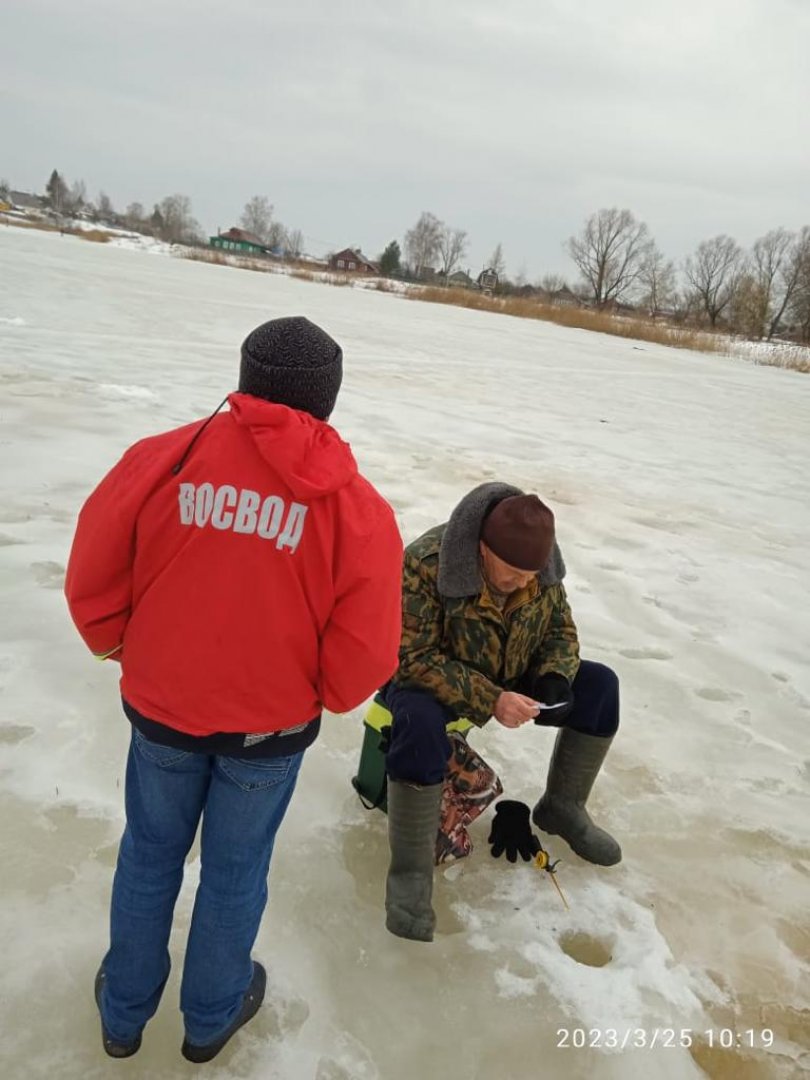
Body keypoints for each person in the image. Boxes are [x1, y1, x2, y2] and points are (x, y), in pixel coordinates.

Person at [65, 316, 403, 1060]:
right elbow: (368, 649)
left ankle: (123, 1014)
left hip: (163, 716)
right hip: (268, 735)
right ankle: (210, 1017)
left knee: (149, 856)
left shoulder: (161, 459)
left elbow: (93, 566)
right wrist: (320, 693)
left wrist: (121, 646)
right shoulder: (358, 510)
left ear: (247, 379)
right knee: (234, 871)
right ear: (328, 399)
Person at [381, 482, 621, 942]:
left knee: (601, 688)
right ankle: (410, 872)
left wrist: (554, 676)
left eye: (532, 575)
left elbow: (561, 631)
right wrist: (491, 698)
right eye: (513, 574)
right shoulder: (427, 562)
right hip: (434, 677)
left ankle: (562, 807)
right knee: (417, 722)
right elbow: (410, 658)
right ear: (482, 549)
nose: (525, 583)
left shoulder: (540, 567)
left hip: (510, 667)